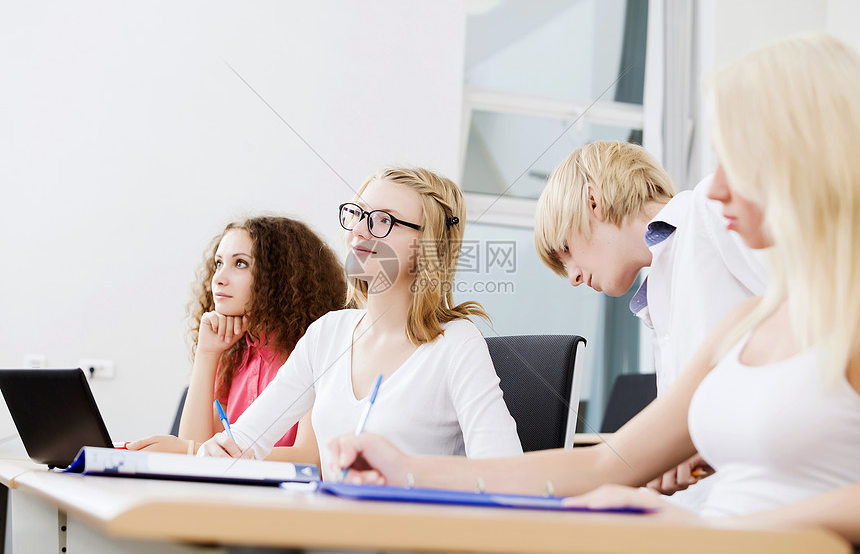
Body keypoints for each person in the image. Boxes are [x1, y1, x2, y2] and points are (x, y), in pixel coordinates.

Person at [328, 33, 860, 546]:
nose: (715, 186)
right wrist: (408, 469)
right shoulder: (740, 323)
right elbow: (606, 463)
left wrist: (708, 532)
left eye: (736, 162)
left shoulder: (707, 225)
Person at [198, 166, 523, 479]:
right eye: (357, 214)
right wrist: (214, 453)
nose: (358, 231)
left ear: (426, 247)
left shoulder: (456, 343)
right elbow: (243, 439)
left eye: (382, 220)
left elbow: (505, 473)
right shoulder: (327, 333)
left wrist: (405, 471)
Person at [533, 140, 768, 500]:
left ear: (593, 202)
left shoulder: (710, 212)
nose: (574, 277)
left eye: (566, 250)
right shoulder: (658, 288)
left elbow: (821, 317)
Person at [129, 216, 347, 461]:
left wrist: (190, 450)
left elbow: (309, 459)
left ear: (279, 276)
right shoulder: (237, 356)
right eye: (218, 263)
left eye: (240, 264)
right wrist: (207, 353)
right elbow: (197, 451)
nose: (219, 278)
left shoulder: (317, 350)